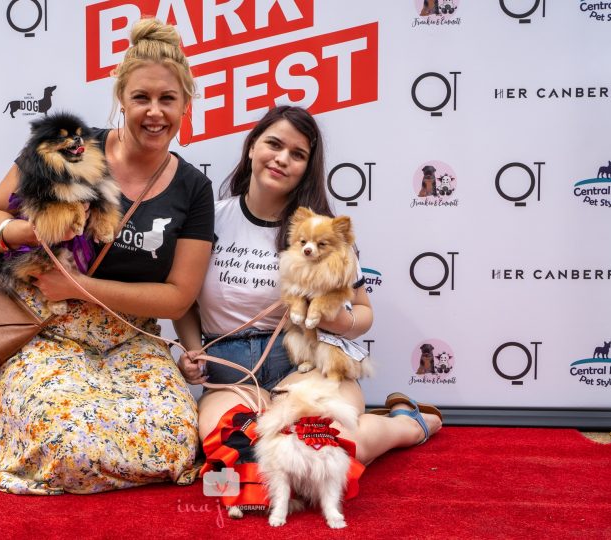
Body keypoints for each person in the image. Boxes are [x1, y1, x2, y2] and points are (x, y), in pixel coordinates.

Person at [0, 18, 214, 495]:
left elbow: (177, 297)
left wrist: (78, 285)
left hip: (129, 337)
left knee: (176, 441)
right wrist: (30, 229)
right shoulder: (68, 148)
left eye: (168, 99)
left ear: (186, 104)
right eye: (141, 97)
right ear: (121, 98)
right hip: (47, 330)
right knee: (68, 441)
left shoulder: (194, 188)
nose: (154, 111)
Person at [174, 106, 442, 505]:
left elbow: (363, 314)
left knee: (323, 451)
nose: (282, 158)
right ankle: (376, 426)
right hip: (229, 368)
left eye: (297, 154)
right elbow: (182, 299)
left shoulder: (323, 233)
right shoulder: (209, 218)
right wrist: (193, 352)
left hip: (303, 360)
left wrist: (336, 319)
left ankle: (408, 423)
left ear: (307, 167)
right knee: (233, 457)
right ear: (252, 147)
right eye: (274, 144)